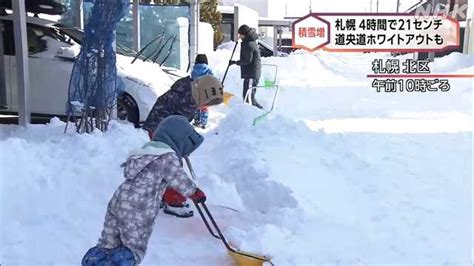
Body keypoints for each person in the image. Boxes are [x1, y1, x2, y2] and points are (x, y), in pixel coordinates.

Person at [82, 115, 208, 266]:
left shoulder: (144, 153)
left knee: (108, 242)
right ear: (179, 139)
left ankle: (94, 261)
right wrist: (194, 192)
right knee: (133, 249)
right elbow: (178, 177)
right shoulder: (167, 156)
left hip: (118, 200)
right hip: (139, 208)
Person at [142, 74, 223, 218]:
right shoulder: (187, 100)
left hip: (160, 124)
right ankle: (174, 201)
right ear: (202, 93)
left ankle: (160, 194)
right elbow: (180, 126)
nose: (205, 106)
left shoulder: (189, 89)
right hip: (160, 128)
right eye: (206, 102)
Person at [229, 24, 263, 109]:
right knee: (248, 96)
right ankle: (257, 111)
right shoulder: (249, 42)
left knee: (248, 98)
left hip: (251, 73)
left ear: (244, 34)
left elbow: (247, 60)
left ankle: (254, 114)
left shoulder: (248, 44)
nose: (239, 36)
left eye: (240, 34)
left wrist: (235, 62)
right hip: (251, 73)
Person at [191, 54, 214, 129]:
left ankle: (197, 121)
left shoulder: (194, 70)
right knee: (204, 107)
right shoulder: (208, 69)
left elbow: (192, 79)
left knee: (197, 106)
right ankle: (204, 123)